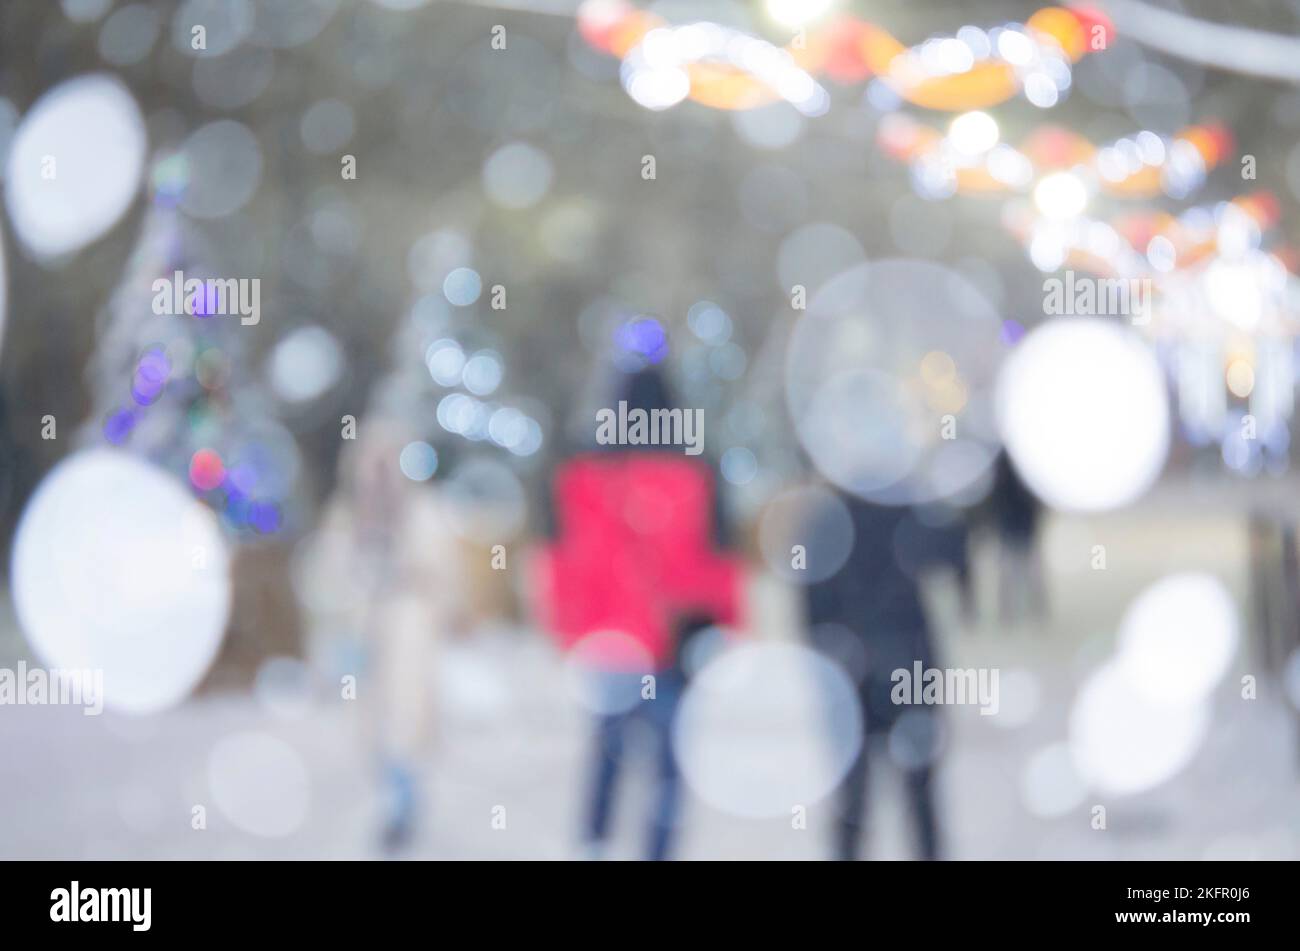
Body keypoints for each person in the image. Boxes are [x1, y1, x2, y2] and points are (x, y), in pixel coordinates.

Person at [533, 365, 743, 860]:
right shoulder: (698, 472)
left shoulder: (582, 474)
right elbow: (717, 563)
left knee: (607, 751)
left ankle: (595, 843)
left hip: (609, 643)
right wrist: (726, 625)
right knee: (669, 766)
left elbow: (564, 561)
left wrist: (567, 629)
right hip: (675, 643)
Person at [313, 419, 464, 852]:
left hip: (410, 633)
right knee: (373, 729)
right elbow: (328, 576)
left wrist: (409, 582)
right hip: (365, 636)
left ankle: (403, 805)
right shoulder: (347, 516)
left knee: (407, 722)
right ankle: (391, 798)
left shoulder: (424, 511)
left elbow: (445, 574)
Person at [804, 490, 966, 861]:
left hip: (866, 666)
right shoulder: (906, 505)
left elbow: (810, 603)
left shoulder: (828, 515)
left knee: (862, 794)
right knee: (910, 790)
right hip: (900, 662)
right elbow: (952, 552)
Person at [987, 451, 1046, 624]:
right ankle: (1018, 609)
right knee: (1017, 569)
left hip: (1016, 523)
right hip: (1013, 523)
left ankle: (1026, 609)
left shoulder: (1011, 463)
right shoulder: (1019, 463)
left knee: (1022, 568)